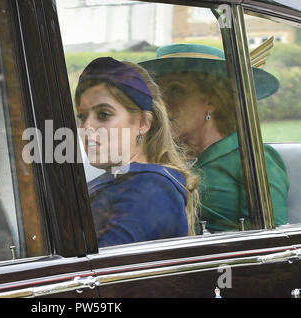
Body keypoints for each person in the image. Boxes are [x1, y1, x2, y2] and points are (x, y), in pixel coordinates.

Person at [139, 43, 289, 232]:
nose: (163, 105)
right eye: (159, 95)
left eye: (176, 91)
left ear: (212, 100)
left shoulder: (253, 157)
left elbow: (273, 240)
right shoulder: (157, 154)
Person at [75, 57, 199, 247]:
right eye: (82, 117)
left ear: (143, 123)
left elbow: (103, 267)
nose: (87, 127)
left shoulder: (151, 189)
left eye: (104, 114)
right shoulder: (123, 181)